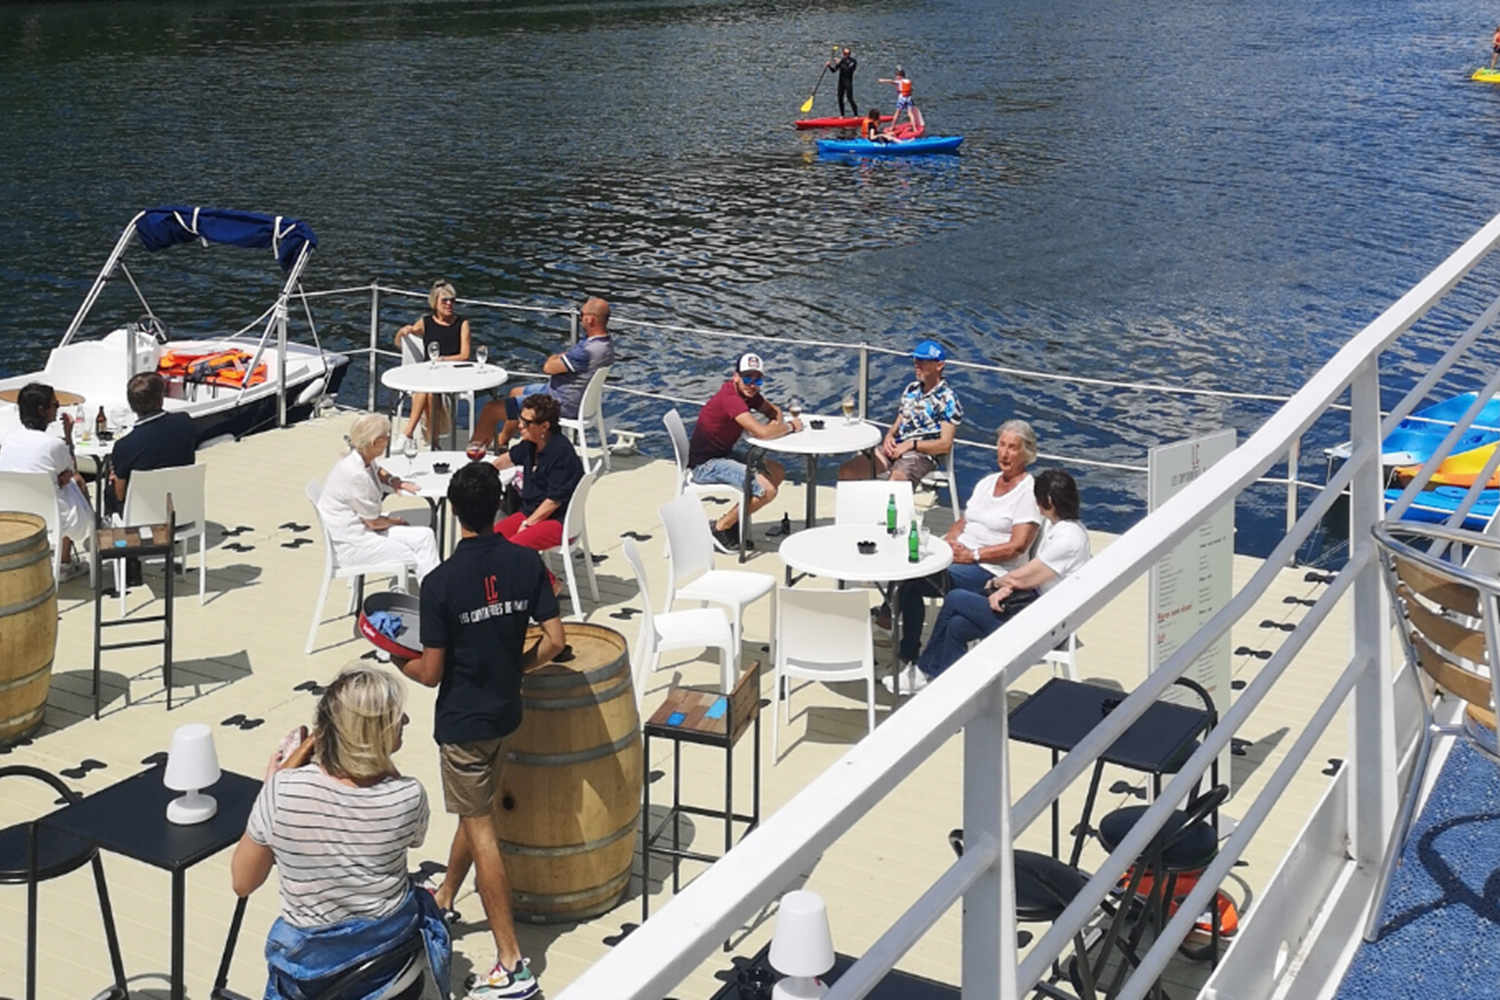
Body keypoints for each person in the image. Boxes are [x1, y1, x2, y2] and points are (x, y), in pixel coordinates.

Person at [399, 461, 566, 1000]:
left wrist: (393, 656)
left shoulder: (440, 583)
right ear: (499, 506)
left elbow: (430, 674)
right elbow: (556, 641)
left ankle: (513, 962)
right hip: (505, 715)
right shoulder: (526, 564)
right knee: (477, 813)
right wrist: (519, 668)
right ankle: (446, 894)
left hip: (462, 724)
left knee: (482, 829)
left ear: (452, 510)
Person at [230, 666, 449, 1000]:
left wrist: (270, 789)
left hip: (311, 978)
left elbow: (243, 882)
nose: (405, 721)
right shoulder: (409, 795)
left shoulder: (282, 791)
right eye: (396, 717)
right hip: (389, 969)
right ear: (374, 734)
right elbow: (408, 833)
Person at [886, 469, 1090, 695]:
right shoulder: (1066, 529)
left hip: (1041, 621)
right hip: (1033, 603)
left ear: (1048, 501)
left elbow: (1029, 575)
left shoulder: (1068, 540)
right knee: (957, 626)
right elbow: (1032, 577)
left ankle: (924, 671)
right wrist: (1008, 586)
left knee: (955, 598)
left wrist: (996, 585)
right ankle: (950, 692)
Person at [886, 420, 1044, 667]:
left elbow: (1018, 546)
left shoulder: (1028, 491)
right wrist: (949, 541)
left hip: (991, 571)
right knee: (908, 570)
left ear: (1027, 453)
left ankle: (893, 632)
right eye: (1001, 445)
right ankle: (907, 652)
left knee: (911, 579)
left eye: (1012, 447)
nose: (1004, 452)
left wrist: (974, 555)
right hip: (960, 557)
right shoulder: (988, 482)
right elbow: (964, 520)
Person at [687, 352, 802, 553]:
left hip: (723, 454)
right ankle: (720, 528)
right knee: (767, 490)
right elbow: (763, 433)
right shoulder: (731, 399)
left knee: (777, 471)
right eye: (747, 378)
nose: (752, 384)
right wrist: (790, 427)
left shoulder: (748, 394)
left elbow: (774, 411)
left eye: (758, 379)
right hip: (705, 465)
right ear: (736, 377)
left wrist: (776, 423)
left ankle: (733, 522)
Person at [470, 296, 615, 453]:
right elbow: (565, 361)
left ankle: (474, 454)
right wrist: (561, 359)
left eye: (581, 315)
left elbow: (548, 367)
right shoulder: (606, 345)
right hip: (571, 398)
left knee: (491, 409)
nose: (580, 319)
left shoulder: (586, 351)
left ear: (591, 319)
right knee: (515, 392)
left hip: (560, 403)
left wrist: (554, 358)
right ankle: (503, 442)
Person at [318, 414, 440, 582]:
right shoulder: (356, 475)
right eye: (387, 436)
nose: (389, 439)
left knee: (425, 536)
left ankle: (436, 596)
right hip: (353, 544)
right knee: (415, 557)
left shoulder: (360, 457)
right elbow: (374, 523)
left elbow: (378, 470)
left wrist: (394, 481)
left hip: (361, 529)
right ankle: (434, 601)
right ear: (375, 442)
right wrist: (395, 521)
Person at [490, 392, 584, 592]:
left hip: (559, 521)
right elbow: (507, 459)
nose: (520, 425)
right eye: (520, 419)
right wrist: (484, 470)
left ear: (544, 426)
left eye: (526, 422)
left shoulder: (561, 452)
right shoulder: (530, 445)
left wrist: (528, 523)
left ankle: (551, 585)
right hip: (531, 511)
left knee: (515, 548)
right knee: (489, 539)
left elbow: (554, 501)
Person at [839, 339, 963, 483]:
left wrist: (911, 445)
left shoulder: (948, 399)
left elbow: (945, 445)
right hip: (897, 446)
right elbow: (900, 419)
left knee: (896, 482)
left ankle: (890, 504)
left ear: (939, 366)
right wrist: (890, 436)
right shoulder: (911, 390)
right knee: (847, 471)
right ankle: (858, 505)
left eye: (923, 362)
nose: (917, 365)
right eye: (916, 361)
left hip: (922, 454)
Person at [0, 382, 92, 573]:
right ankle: (65, 563)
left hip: (12, 506)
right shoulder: (52, 444)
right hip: (49, 512)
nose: (57, 410)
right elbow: (70, 469)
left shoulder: (9, 439)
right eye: (55, 406)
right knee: (76, 484)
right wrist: (68, 436)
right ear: (42, 410)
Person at [106, 371, 195, 518]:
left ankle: (118, 539)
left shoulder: (125, 445)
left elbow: (120, 495)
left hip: (141, 515)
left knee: (111, 490)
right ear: (160, 399)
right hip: (179, 507)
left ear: (132, 406)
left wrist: (116, 479)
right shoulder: (185, 422)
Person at [394, 281, 471, 447]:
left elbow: (465, 355)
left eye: (452, 300)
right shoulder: (425, 322)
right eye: (444, 301)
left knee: (426, 389)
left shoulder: (461, 323)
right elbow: (400, 343)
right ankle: (429, 440)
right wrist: (402, 332)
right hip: (428, 372)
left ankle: (410, 435)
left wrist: (442, 360)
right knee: (426, 390)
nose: (449, 304)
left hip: (451, 372)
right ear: (435, 303)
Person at [878, 66, 919, 133]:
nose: (896, 77)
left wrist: (882, 80)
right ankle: (914, 128)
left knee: (897, 113)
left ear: (900, 76)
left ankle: (892, 127)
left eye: (897, 76)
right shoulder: (908, 81)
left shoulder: (899, 82)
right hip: (908, 98)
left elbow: (891, 81)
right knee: (910, 114)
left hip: (902, 98)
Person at [827, 47, 858, 117]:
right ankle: (842, 115)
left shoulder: (853, 62)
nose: (846, 55)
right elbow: (834, 71)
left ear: (850, 53)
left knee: (849, 97)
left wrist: (840, 63)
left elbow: (848, 70)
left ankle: (856, 115)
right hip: (841, 82)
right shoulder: (842, 61)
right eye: (845, 53)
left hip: (848, 82)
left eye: (847, 53)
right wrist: (829, 66)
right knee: (840, 98)